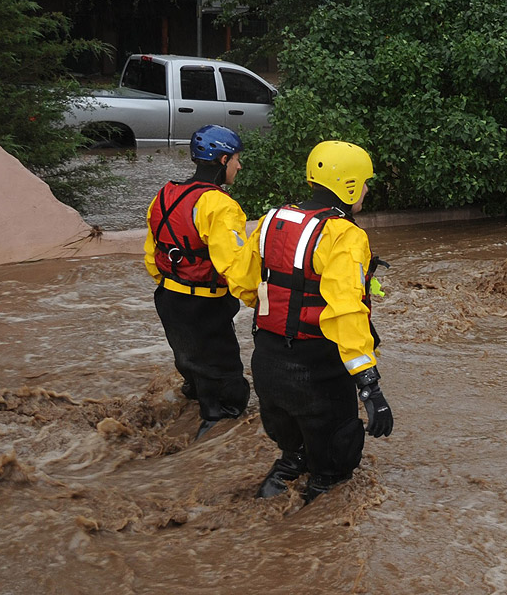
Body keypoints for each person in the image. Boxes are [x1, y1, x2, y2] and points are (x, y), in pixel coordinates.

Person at [249, 140, 393, 504]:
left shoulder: (271, 220)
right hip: (316, 368)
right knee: (334, 465)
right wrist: (369, 385)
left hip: (267, 361)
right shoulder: (345, 235)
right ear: (348, 185)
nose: (366, 189)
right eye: (364, 182)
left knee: (293, 449)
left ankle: (284, 476)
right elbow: (346, 311)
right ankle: (319, 508)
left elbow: (243, 282)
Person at [144, 124, 259, 440]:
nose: (239, 165)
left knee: (191, 363)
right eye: (236, 159)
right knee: (227, 387)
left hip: (168, 297)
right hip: (204, 305)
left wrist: (173, 283)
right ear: (222, 161)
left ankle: (194, 404)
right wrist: (259, 300)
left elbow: (151, 255)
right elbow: (233, 265)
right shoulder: (221, 206)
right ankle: (213, 432)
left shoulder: (164, 195)